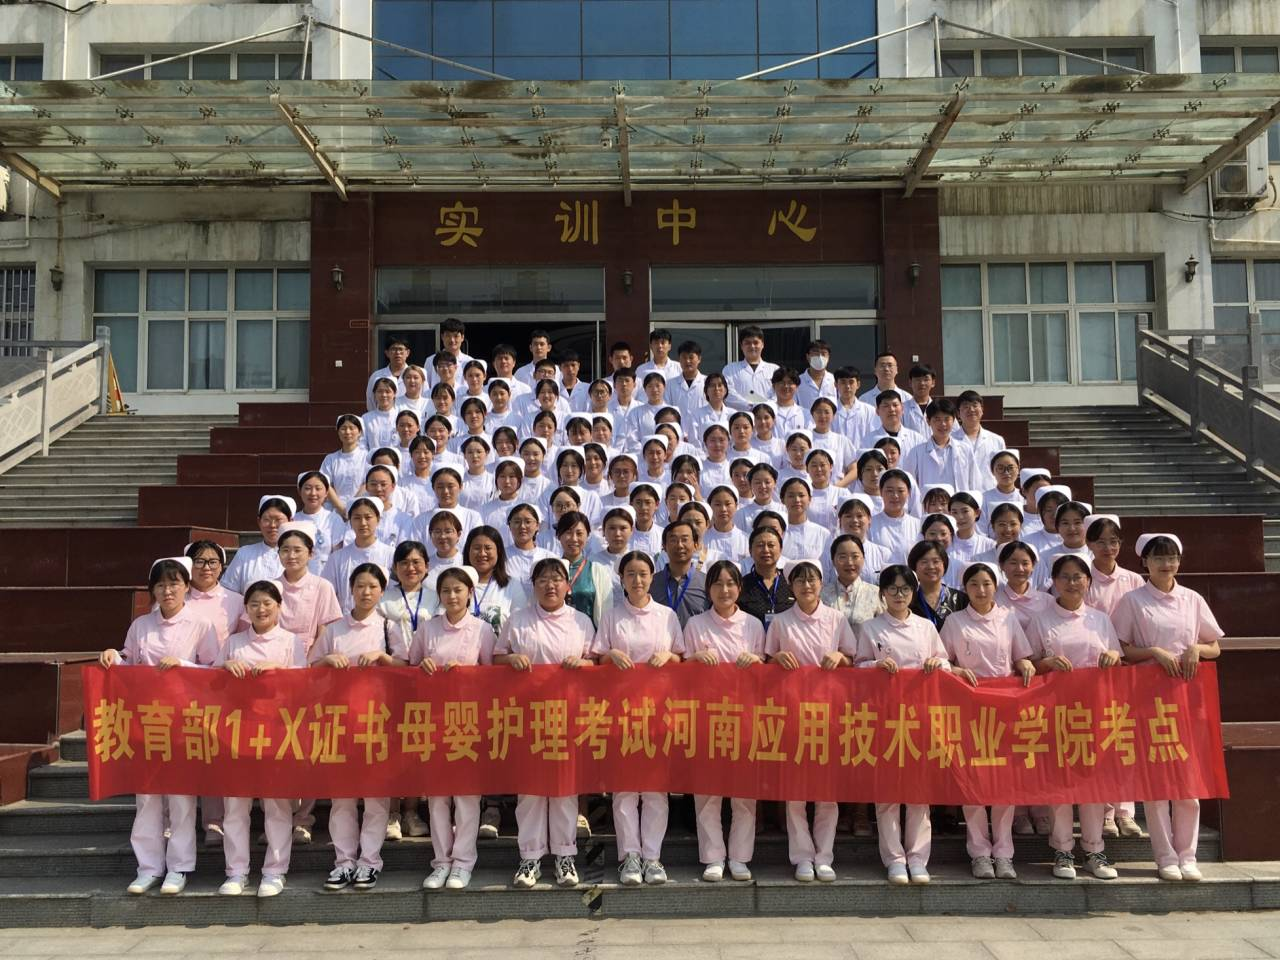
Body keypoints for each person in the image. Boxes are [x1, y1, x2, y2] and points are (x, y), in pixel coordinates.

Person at [100, 557, 218, 896]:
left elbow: (215, 670)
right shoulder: (141, 625)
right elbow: (128, 662)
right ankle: (148, 867)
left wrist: (183, 665)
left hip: (184, 721)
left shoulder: (201, 624)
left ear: (187, 587)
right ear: (152, 590)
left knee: (181, 798)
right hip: (147, 721)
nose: (168, 591)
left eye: (174, 583)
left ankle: (178, 868)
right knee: (147, 797)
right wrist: (112, 655)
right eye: (161, 585)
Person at [1112, 534, 1223, 882]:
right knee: (1157, 784)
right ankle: (1165, 857)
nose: (1166, 564)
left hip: (1188, 698)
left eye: (1172, 557)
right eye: (1158, 558)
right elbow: (1121, 648)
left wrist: (1197, 650)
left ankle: (1188, 856)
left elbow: (1215, 646)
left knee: (1189, 784)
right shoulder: (1132, 600)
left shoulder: (1192, 599)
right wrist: (1154, 652)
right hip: (1149, 699)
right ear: (1144, 562)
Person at [495, 557, 596, 889]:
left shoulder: (581, 621)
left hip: (568, 716)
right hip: (528, 716)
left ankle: (565, 855)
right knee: (531, 791)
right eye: (542, 580)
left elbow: (595, 662)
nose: (550, 585)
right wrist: (511, 658)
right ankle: (530, 857)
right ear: (533, 586)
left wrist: (583, 664)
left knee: (565, 789)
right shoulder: (518, 620)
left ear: (567, 586)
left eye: (556, 579)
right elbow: (496, 657)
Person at [1023, 554, 1123, 882]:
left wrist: (1113, 656)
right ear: (1053, 582)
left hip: (1094, 711)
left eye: (1078, 576)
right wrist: (1047, 664)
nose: (1071, 582)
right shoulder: (1041, 620)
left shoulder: (1100, 619)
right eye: (1064, 577)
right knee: (1061, 785)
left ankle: (1094, 849)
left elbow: (1117, 657)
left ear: (1088, 581)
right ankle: (1063, 849)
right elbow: (1028, 663)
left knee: (1093, 784)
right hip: (1055, 712)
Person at [854, 564, 951, 884]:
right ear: (882, 593)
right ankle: (894, 858)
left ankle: (918, 857)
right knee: (888, 793)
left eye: (905, 589)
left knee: (919, 793)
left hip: (921, 717)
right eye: (893, 589)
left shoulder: (925, 627)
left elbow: (946, 663)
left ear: (914, 592)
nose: (899, 595)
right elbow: (857, 668)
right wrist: (876, 665)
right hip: (884, 718)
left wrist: (938, 663)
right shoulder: (871, 628)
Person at [940, 561, 1036, 881]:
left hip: (1004, 710)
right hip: (968, 711)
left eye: (986, 584)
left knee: (1003, 784)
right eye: (974, 585)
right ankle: (980, 852)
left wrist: (1025, 665)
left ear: (996, 586)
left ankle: (1004, 852)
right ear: (964, 588)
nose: (981, 590)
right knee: (973, 784)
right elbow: (941, 661)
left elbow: (1021, 656)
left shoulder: (1008, 618)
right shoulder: (954, 622)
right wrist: (956, 670)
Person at [593, 551, 683, 885]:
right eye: (630, 574)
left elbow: (682, 658)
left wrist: (669, 656)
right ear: (622, 579)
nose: (637, 580)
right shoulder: (612, 616)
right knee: (625, 789)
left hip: (658, 710)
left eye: (643, 573)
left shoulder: (667, 616)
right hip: (622, 710)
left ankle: (653, 857)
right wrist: (610, 655)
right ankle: (629, 855)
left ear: (652, 577)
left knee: (656, 789)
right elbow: (597, 657)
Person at [214, 580, 307, 897]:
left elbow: (303, 686)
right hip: (237, 732)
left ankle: (275, 871)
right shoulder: (234, 642)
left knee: (277, 805)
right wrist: (225, 666)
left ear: (279, 607)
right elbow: (210, 685)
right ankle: (236, 872)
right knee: (235, 806)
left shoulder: (291, 642)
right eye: (254, 603)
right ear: (246, 609)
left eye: (267, 603)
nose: (261, 609)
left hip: (277, 732)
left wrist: (280, 670)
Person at [764, 558, 855, 883]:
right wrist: (777, 658)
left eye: (812, 579)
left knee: (827, 791)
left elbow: (853, 659)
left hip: (828, 714)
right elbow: (766, 663)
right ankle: (802, 856)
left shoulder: (836, 618)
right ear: (791, 585)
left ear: (821, 583)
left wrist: (840, 657)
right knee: (796, 792)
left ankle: (824, 855)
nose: (807, 585)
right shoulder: (780, 621)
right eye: (800, 580)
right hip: (792, 714)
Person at [410, 565, 496, 890]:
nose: (452, 596)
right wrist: (423, 667)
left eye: (458, 590)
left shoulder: (482, 630)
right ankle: (441, 862)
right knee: (437, 797)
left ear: (470, 593)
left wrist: (469, 674)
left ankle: (462, 863)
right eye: (446, 590)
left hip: (468, 722)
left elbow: (493, 677)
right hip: (433, 720)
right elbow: (410, 669)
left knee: (466, 797)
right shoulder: (427, 628)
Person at [311, 563, 396, 890]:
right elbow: (309, 668)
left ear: (382, 591)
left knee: (375, 798)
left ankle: (370, 862)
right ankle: (343, 862)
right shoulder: (334, 629)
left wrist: (383, 658)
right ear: (351, 589)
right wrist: (326, 661)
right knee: (342, 798)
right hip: (339, 722)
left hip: (377, 721)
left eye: (372, 586)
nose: (366, 592)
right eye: (360, 585)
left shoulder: (389, 627)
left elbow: (407, 668)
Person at [682, 560, 766, 881]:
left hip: (745, 719)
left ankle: (740, 857)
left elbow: (766, 673)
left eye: (731, 583)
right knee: (708, 795)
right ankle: (713, 857)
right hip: (707, 719)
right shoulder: (695, 625)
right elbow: (681, 674)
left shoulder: (753, 625)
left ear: (739, 589)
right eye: (717, 584)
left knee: (744, 795)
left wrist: (755, 660)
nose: (725, 590)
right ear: (708, 590)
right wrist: (694, 659)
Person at [378, 540, 435, 841]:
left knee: (416, 746)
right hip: (391, 680)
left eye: (416, 562)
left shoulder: (437, 596)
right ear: (395, 568)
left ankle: (411, 811)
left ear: (427, 566)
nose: (411, 568)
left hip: (427, 679)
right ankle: (392, 812)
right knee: (391, 747)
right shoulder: (383, 597)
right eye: (404, 563)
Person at [322, 496, 396, 615]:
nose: (363, 523)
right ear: (350, 522)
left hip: (382, 620)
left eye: (368, 517)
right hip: (346, 621)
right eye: (357, 518)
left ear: (378, 519)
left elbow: (395, 593)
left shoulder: (391, 554)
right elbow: (326, 594)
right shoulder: (337, 558)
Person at [221, 495, 293, 594]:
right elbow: (228, 591)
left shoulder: (297, 556)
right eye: (267, 519)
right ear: (259, 521)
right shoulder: (244, 553)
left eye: (278, 520)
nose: (272, 525)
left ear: (290, 521)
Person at [555, 510, 614, 626]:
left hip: (589, 634)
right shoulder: (550, 570)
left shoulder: (597, 571)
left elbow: (606, 611)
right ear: (558, 536)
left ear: (587, 536)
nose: (574, 539)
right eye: (568, 532)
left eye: (579, 533)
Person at [650, 520, 709, 628]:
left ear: (696, 545)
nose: (680, 545)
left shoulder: (707, 583)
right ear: (664, 546)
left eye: (685, 539)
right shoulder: (652, 583)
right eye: (673, 540)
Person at [822, 534, 884, 628]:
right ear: (833, 561)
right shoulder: (823, 594)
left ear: (863, 559)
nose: (849, 562)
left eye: (855, 556)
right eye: (842, 557)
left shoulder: (876, 593)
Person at [739, 527, 793, 626]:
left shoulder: (791, 583)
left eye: (771, 545)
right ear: (750, 550)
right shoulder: (741, 585)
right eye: (760, 545)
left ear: (780, 549)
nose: (766, 550)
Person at [724, 325, 779, 411]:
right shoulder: (730, 369)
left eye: (756, 342)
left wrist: (763, 408)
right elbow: (728, 394)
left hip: (768, 416)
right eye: (747, 343)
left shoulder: (774, 369)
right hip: (740, 416)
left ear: (762, 344)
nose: (752, 346)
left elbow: (779, 394)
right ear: (741, 346)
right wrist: (751, 406)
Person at [321, 415, 369, 514]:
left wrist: (353, 505)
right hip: (335, 510)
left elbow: (367, 483)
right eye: (343, 428)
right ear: (338, 432)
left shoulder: (367, 457)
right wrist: (341, 508)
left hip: (361, 507)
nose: (347, 432)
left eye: (352, 428)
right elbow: (326, 484)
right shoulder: (330, 459)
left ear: (360, 432)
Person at [365, 337, 410, 409]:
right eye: (393, 349)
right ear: (387, 353)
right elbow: (371, 401)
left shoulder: (417, 374)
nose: (397, 353)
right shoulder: (377, 376)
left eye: (400, 349)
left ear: (407, 353)